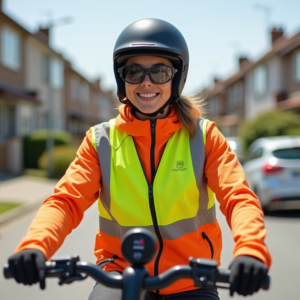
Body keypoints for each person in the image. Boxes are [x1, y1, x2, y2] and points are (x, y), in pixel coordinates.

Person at [8, 18, 271, 300]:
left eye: (159, 71)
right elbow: (66, 201)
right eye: (134, 71)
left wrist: (251, 250)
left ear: (177, 76)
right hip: (119, 275)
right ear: (122, 79)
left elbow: (238, 197)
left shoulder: (204, 137)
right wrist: (34, 247)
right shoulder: (101, 141)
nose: (146, 82)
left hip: (192, 279)